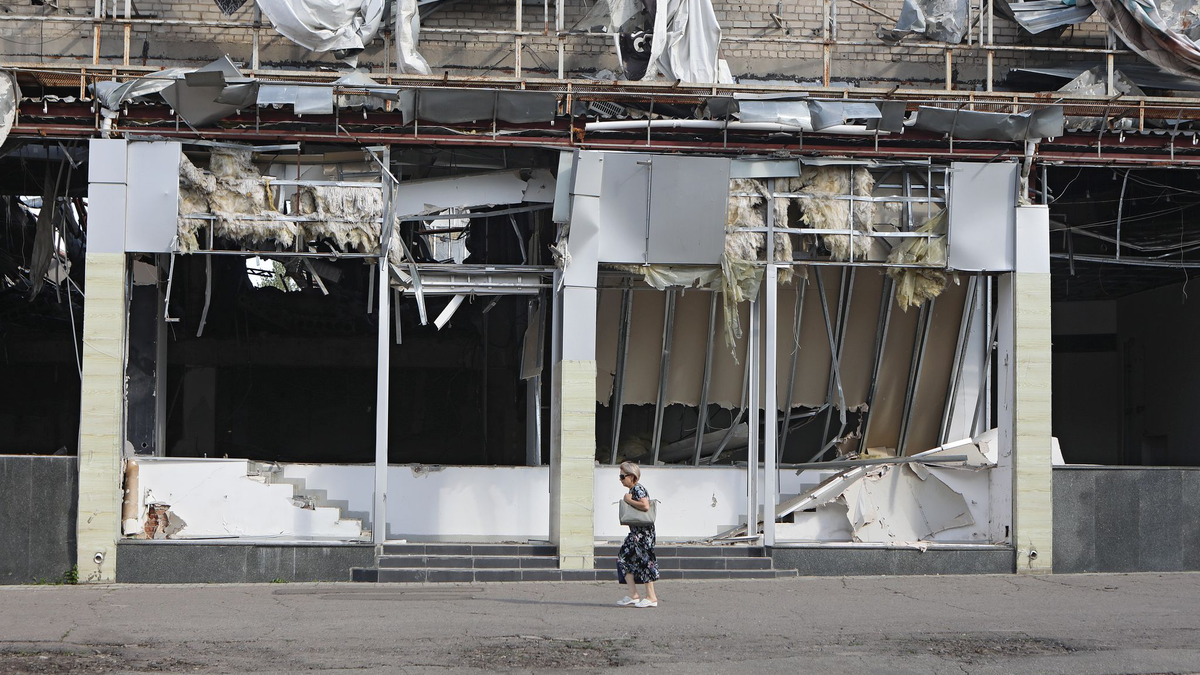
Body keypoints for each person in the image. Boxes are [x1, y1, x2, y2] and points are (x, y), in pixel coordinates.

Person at [615, 461, 659, 608]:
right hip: (635, 533)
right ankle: (633, 594)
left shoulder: (638, 489)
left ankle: (651, 597)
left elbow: (645, 506)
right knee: (623, 559)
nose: (620, 479)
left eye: (622, 476)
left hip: (643, 534)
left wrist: (629, 500)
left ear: (631, 476)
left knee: (645, 561)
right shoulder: (634, 489)